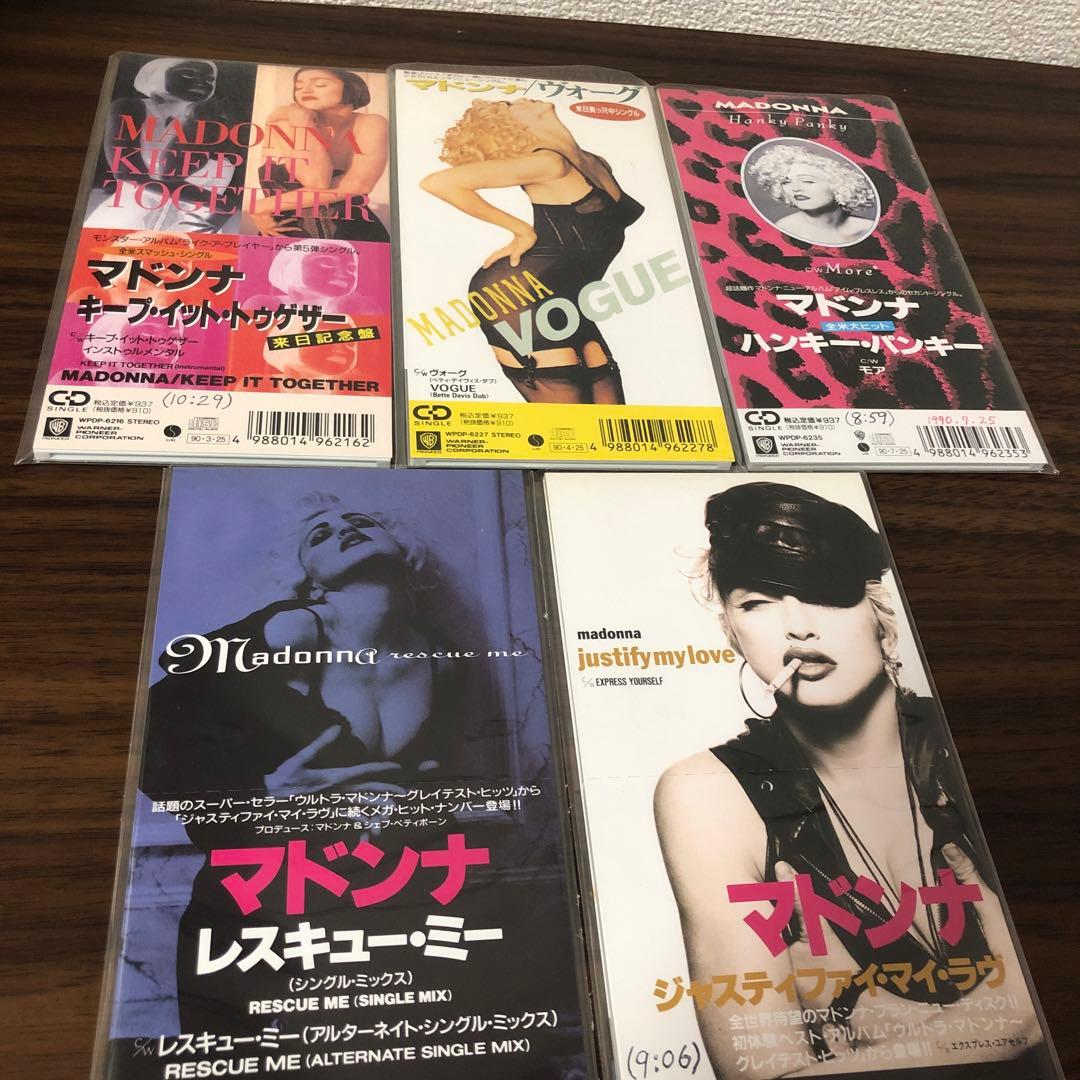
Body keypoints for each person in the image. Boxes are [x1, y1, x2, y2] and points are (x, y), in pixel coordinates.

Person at [654, 483, 1044, 1078]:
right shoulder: (708, 794)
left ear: (880, 610)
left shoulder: (989, 735)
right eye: (756, 602)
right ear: (731, 628)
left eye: (823, 593)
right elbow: (760, 1072)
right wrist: (1001, 1023)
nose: (797, 628)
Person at [141, 494, 460, 1034]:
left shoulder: (442, 659)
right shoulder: (292, 631)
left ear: (402, 549)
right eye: (320, 535)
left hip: (384, 898)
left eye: (360, 520)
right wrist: (262, 791)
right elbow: (153, 732)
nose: (345, 529)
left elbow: (433, 774)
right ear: (309, 578)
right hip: (263, 902)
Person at [420, 99, 644, 405]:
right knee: (568, 424)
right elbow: (438, 183)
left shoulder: (593, 161)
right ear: (511, 125)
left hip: (566, 295)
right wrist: (521, 230)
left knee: (611, 423)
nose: (523, 97)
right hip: (516, 294)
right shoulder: (549, 163)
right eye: (511, 104)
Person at [90, 57, 238, 232]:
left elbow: (174, 172)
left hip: (187, 219)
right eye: (188, 74)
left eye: (209, 79)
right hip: (129, 212)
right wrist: (219, 203)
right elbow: (127, 173)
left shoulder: (204, 122)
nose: (202, 82)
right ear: (156, 75)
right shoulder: (128, 107)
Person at [249, 67, 389, 242]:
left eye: (320, 84)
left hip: (356, 236)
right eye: (299, 87)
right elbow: (316, 180)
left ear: (349, 87)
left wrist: (267, 204)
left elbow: (356, 185)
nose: (306, 90)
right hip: (287, 236)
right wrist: (303, 123)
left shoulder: (372, 123)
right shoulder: (283, 122)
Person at [746, 143, 876, 247]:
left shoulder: (867, 229)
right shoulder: (785, 229)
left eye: (807, 181)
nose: (795, 188)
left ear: (839, 184)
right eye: (786, 182)